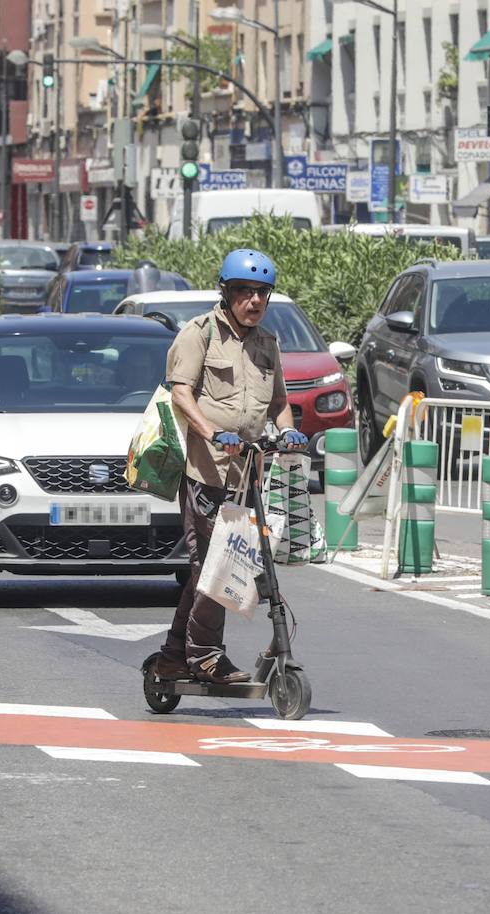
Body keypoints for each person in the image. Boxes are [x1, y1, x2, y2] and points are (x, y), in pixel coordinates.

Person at [156, 249, 308, 684]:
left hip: (248, 477)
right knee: (217, 566)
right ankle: (204, 655)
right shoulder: (199, 333)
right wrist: (210, 432)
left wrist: (288, 431)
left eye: (262, 293)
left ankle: (173, 655)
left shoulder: (268, 344)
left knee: (215, 566)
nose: (254, 300)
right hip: (207, 473)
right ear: (226, 292)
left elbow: (278, 402)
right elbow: (181, 393)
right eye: (244, 291)